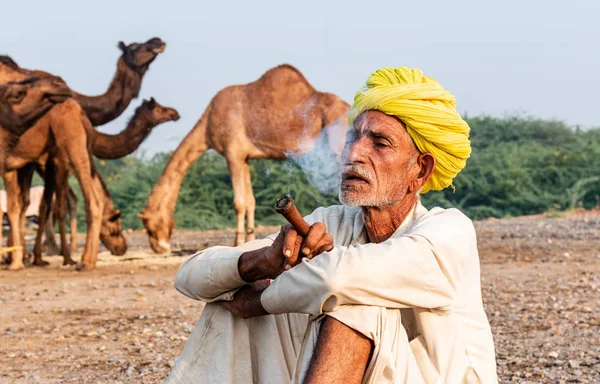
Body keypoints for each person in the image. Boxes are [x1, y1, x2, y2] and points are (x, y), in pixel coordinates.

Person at [166, 66, 498, 383]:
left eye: (379, 144)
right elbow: (191, 277)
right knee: (229, 300)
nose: (353, 152)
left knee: (356, 305)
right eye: (353, 137)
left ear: (420, 170)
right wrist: (262, 261)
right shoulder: (333, 221)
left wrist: (260, 301)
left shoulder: (449, 232)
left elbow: (337, 277)